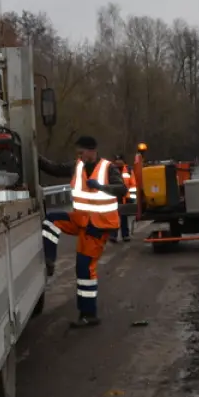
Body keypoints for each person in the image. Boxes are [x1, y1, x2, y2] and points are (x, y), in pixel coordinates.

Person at [39, 136, 126, 328]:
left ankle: (89, 314)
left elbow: (122, 189)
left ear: (92, 150)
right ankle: (50, 260)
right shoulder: (76, 166)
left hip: (97, 225)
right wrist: (32, 155)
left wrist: (102, 187)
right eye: (77, 152)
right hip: (80, 219)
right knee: (51, 221)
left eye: (81, 152)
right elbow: (54, 168)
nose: (79, 155)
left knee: (85, 269)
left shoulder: (107, 168)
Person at [110, 154, 134, 243]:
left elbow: (133, 184)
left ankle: (125, 235)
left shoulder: (128, 170)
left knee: (124, 217)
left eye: (120, 160)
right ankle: (113, 235)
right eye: (116, 161)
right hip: (113, 198)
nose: (118, 162)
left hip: (124, 198)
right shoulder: (110, 170)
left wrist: (130, 197)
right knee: (113, 218)